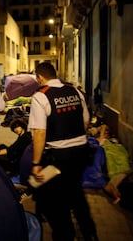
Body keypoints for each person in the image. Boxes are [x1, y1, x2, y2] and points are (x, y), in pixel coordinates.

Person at [28, 62, 98, 241]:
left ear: (40, 77)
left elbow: (39, 133)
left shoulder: (40, 96)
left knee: (57, 203)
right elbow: (85, 123)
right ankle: (89, 233)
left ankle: (65, 236)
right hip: (81, 152)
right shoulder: (74, 91)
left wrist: (36, 163)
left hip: (59, 156)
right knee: (76, 192)